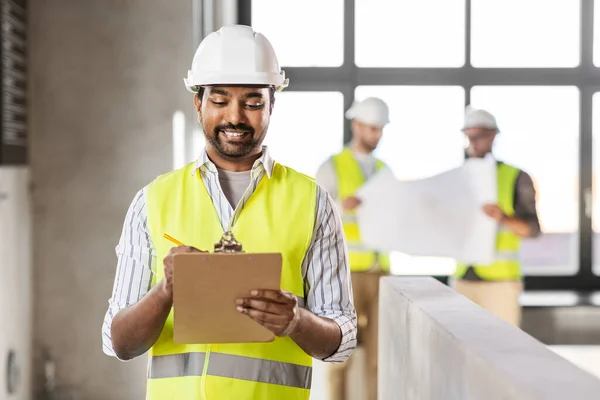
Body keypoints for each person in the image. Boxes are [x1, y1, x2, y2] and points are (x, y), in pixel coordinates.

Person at [101, 25, 357, 400]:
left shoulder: (312, 202)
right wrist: (166, 291)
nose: (235, 116)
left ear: (272, 104)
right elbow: (120, 342)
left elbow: (341, 342)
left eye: (252, 102)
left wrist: (296, 321)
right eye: (220, 100)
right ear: (198, 103)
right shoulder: (152, 201)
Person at [316, 97, 390, 400]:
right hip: (344, 273)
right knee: (340, 352)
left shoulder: (385, 169)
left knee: (379, 356)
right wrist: (343, 207)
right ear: (355, 125)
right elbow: (317, 216)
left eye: (380, 129)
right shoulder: (332, 167)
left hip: (381, 272)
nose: (376, 134)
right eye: (371, 128)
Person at [453, 105, 541, 326]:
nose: (473, 142)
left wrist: (502, 218)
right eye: (469, 136)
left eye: (479, 136)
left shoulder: (516, 177)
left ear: (493, 136)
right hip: (463, 280)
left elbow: (533, 230)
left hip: (501, 284)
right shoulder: (458, 177)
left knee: (503, 350)